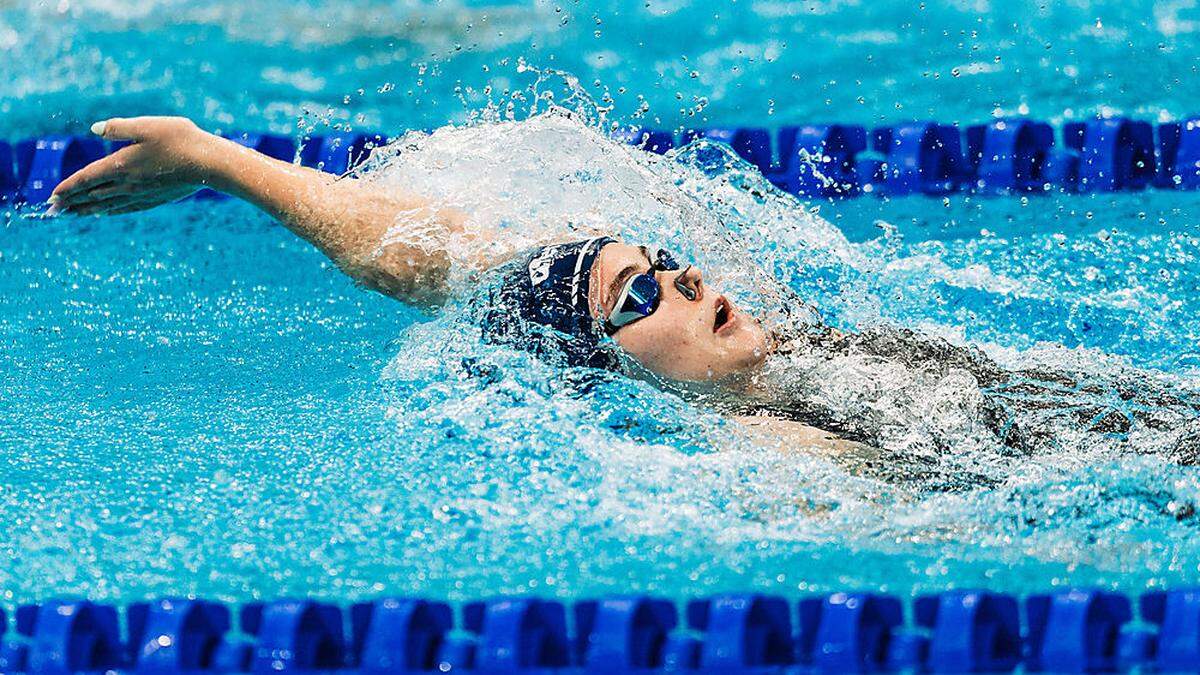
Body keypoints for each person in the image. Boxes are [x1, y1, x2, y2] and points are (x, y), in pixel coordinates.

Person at [51, 116, 1200, 489]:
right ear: (609, 365)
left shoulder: (797, 340)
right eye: (642, 293)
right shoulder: (773, 452)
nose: (686, 277)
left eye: (666, 261)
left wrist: (217, 156)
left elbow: (419, 252)